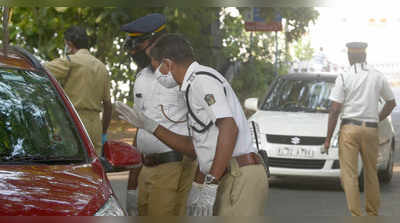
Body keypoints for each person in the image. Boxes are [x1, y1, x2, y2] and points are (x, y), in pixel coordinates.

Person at [116, 33, 268, 216]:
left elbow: (229, 128)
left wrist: (210, 184)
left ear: (168, 64)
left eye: (158, 69)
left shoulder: (201, 80)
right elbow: (193, 148)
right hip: (227, 175)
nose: (158, 76)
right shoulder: (190, 87)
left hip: (239, 175)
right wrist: (150, 126)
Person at [120, 13, 196, 216]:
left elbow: (204, 131)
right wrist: (132, 186)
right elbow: (140, 130)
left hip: (173, 168)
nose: (134, 51)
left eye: (138, 45)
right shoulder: (141, 77)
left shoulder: (182, 74)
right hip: (146, 169)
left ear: (155, 42)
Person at [324, 42, 396, 216]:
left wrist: (327, 139)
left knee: (349, 174)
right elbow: (391, 103)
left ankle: (356, 215)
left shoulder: (344, 76)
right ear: (365, 56)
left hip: (349, 129)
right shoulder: (377, 76)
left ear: (349, 57)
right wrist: (375, 119)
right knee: (371, 172)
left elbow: (334, 110)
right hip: (370, 129)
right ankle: (372, 213)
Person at [44, 26, 112, 156]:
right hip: (95, 125)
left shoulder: (69, 61)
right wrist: (103, 133)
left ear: (69, 44)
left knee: (72, 165)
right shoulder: (101, 67)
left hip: (74, 123)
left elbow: (41, 69)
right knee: (94, 167)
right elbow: (108, 105)